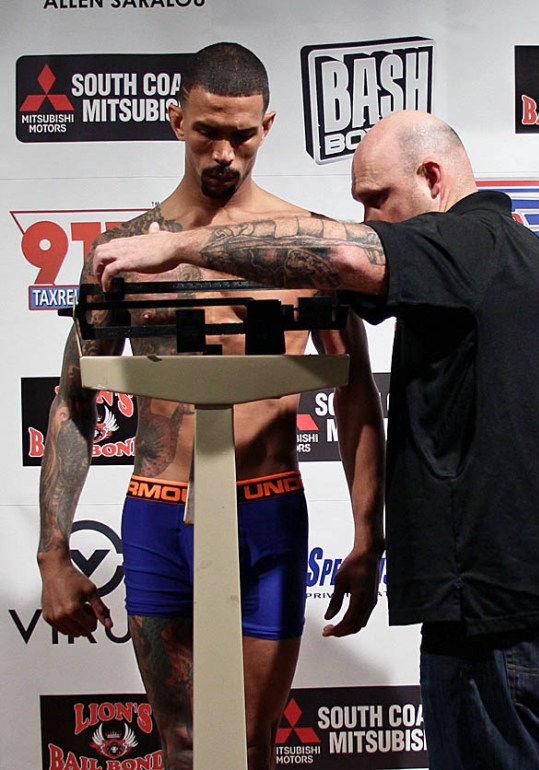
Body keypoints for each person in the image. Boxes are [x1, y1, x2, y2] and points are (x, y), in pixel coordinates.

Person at [93, 109, 539, 770]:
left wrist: (179, 246)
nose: (369, 219)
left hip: (501, 619)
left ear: (433, 178)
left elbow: (343, 255)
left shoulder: (466, 243)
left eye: (377, 199)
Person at [37, 43, 385, 770]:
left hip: (266, 511)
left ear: (269, 126)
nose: (225, 153)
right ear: (176, 121)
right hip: (158, 514)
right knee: (183, 749)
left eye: (243, 134)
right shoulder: (120, 253)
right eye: (207, 132)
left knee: (253, 746)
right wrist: (53, 554)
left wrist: (367, 536)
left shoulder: (309, 248)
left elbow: (355, 396)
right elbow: (74, 401)